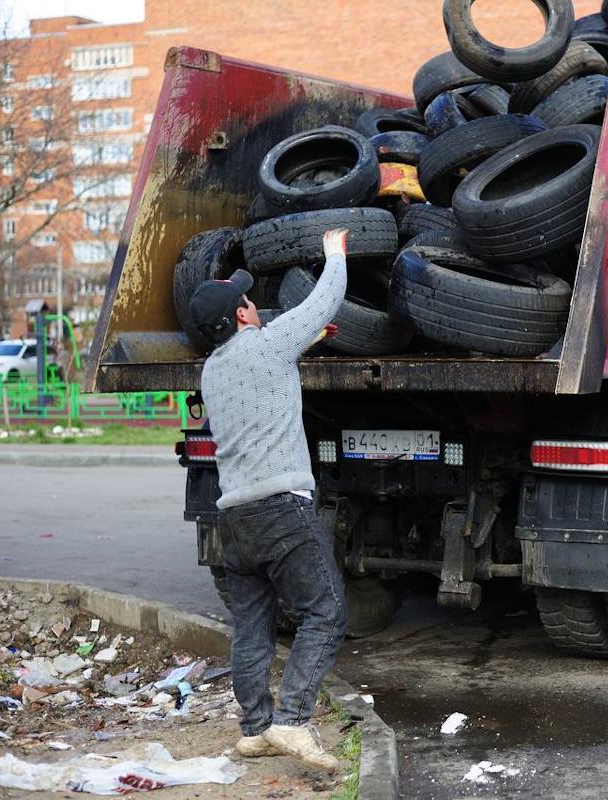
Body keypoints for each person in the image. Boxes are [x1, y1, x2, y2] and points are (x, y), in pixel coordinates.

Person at [189, 228, 350, 772]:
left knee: (252, 627)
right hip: (282, 509)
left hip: (233, 516)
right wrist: (334, 250)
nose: (254, 304)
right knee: (325, 613)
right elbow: (326, 298)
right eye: (248, 301)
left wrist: (300, 340)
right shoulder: (268, 342)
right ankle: (294, 720)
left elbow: (262, 368)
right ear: (241, 315)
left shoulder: (212, 370)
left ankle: (256, 729)